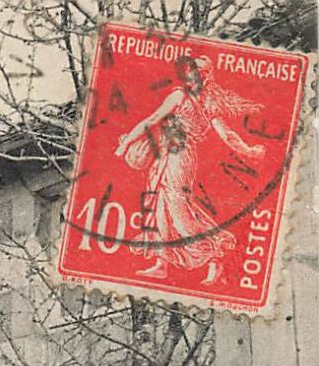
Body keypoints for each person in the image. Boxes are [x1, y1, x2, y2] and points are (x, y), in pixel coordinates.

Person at [113, 55, 265, 285]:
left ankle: (214, 255)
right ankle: (162, 263)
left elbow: (226, 134)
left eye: (198, 72)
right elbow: (154, 119)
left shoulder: (197, 101)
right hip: (167, 153)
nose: (193, 75)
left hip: (180, 155)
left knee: (178, 210)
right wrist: (248, 150)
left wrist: (248, 151)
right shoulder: (187, 97)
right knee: (159, 205)